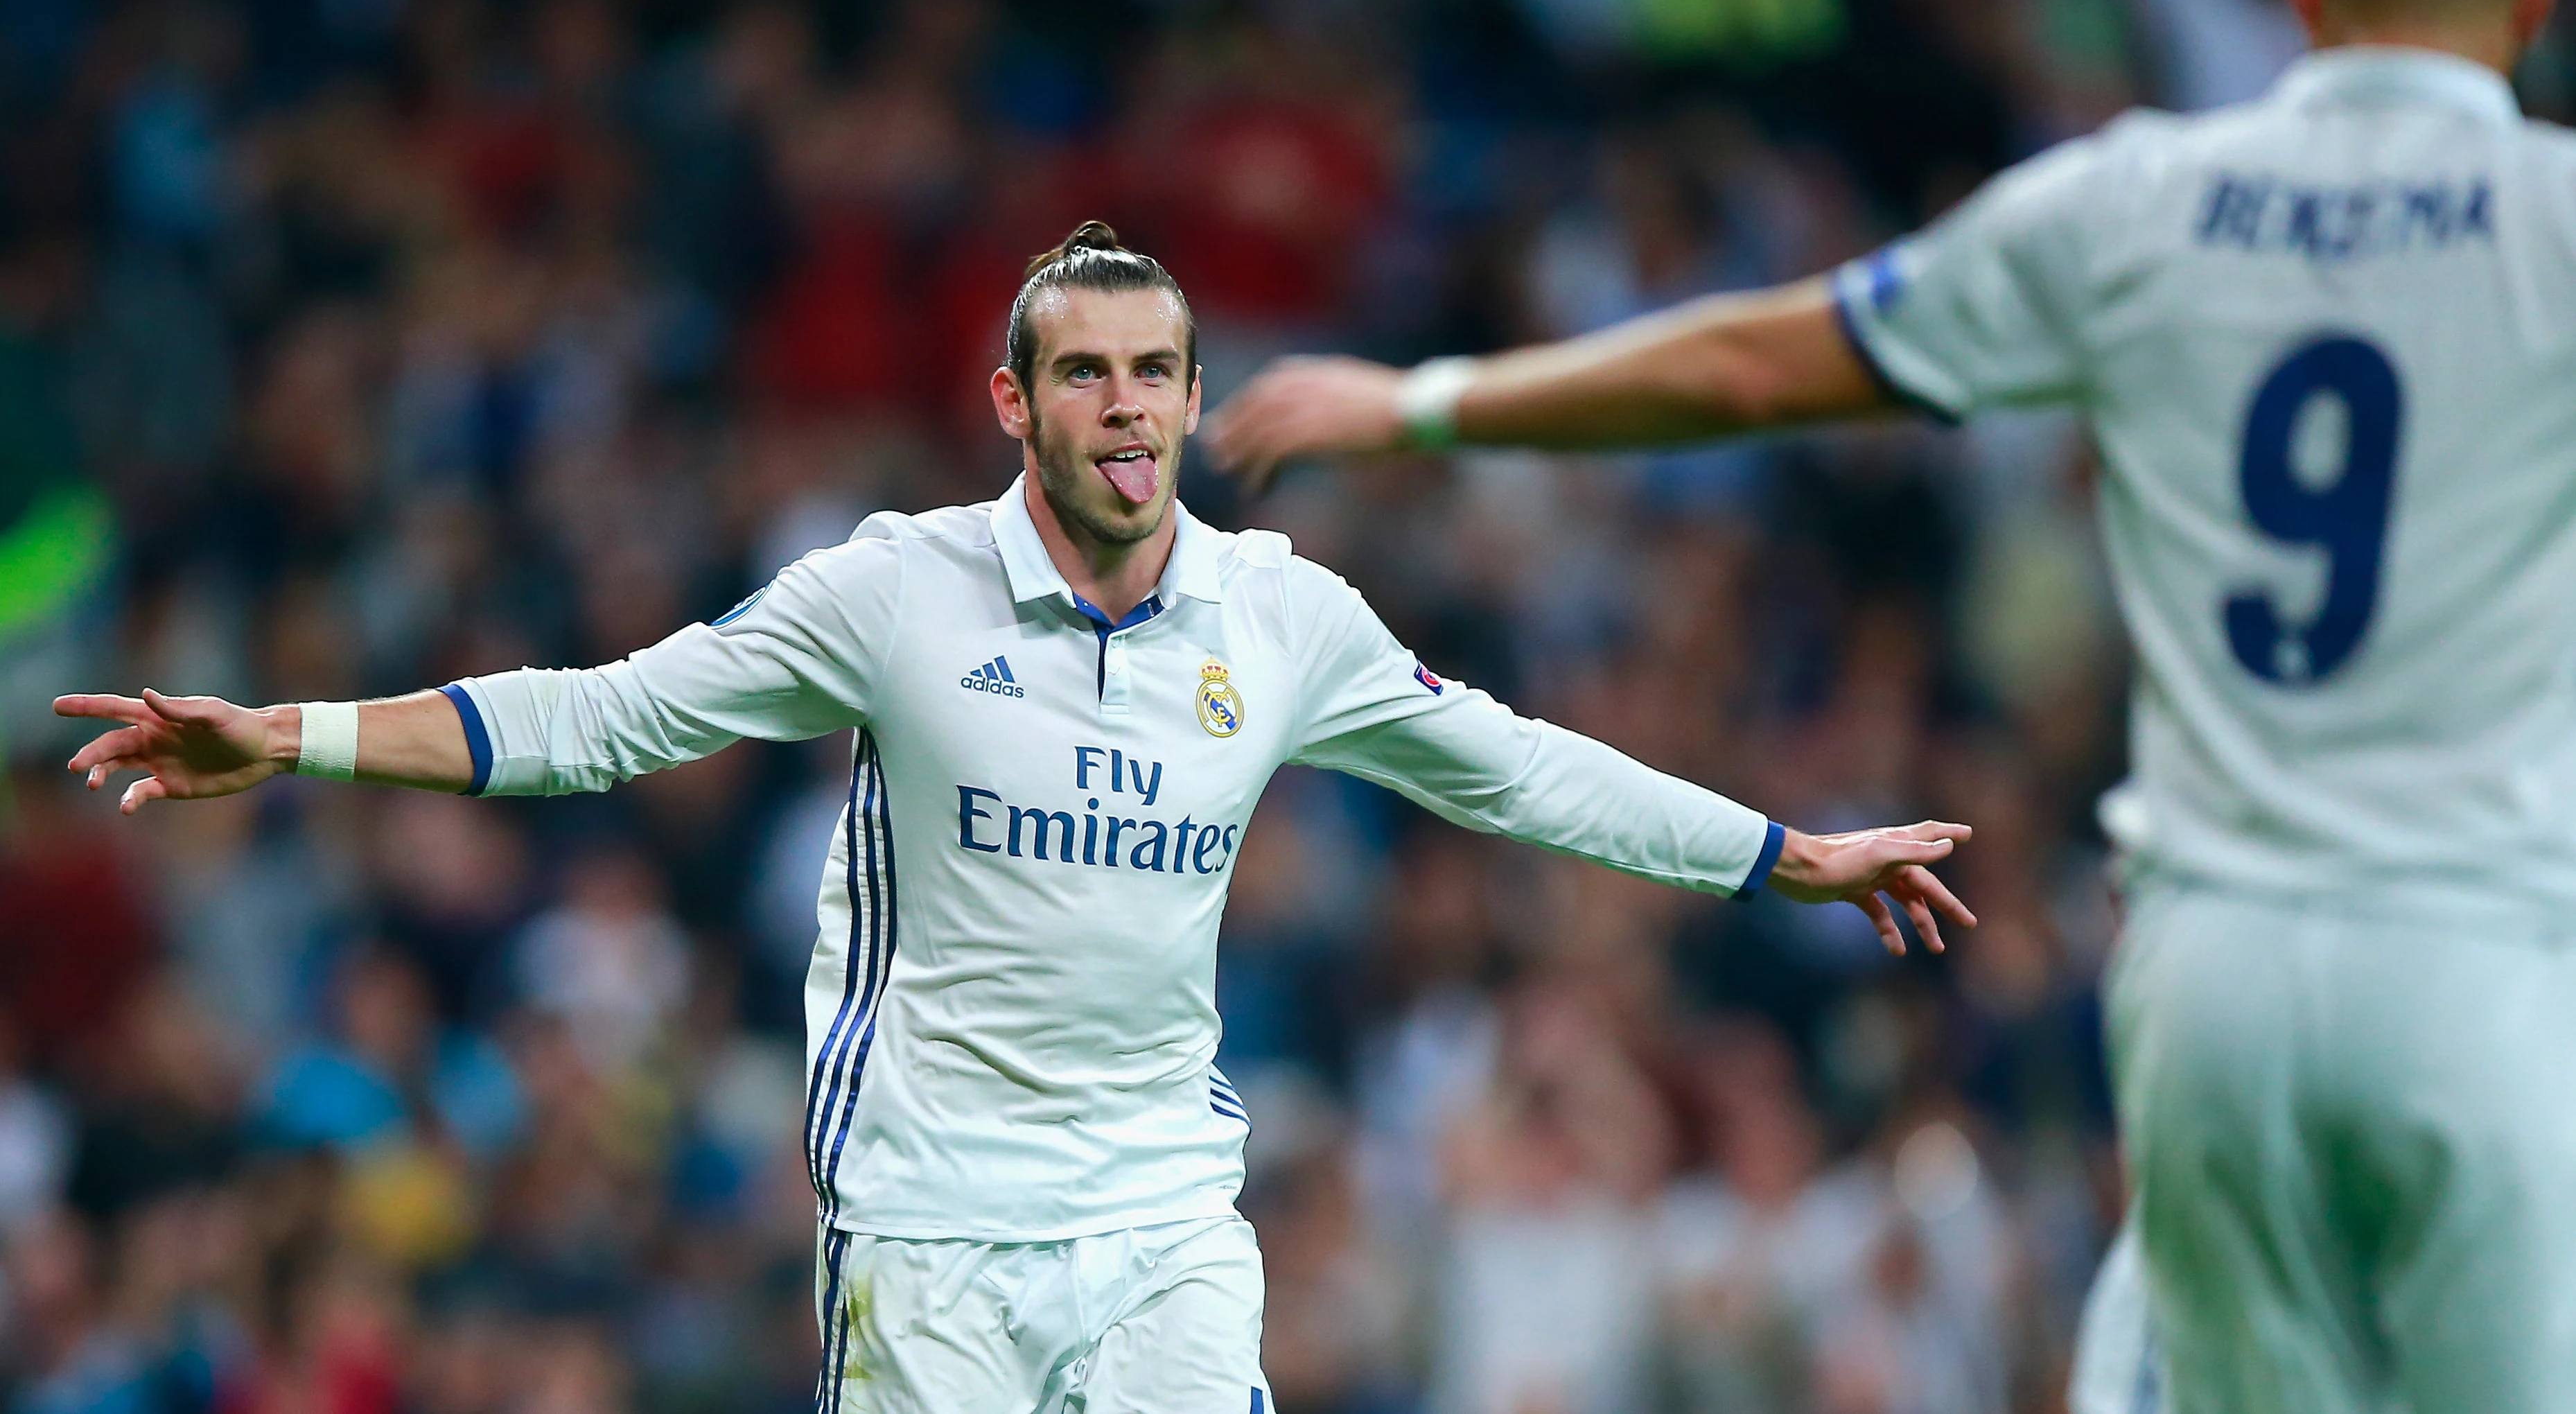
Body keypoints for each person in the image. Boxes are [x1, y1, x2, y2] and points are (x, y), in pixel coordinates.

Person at [56, 222, 1975, 1414]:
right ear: (1013, 399)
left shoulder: (1282, 616)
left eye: (1156, 373)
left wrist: (1780, 849)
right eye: (1086, 373)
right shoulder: (891, 593)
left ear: (1194, 394)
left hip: (1157, 1213)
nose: (1126, 409)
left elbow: (1519, 764)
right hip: (926, 1222)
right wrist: (285, 736)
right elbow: (599, 722)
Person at [1210, 0, 2576, 1404]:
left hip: (2213, 981)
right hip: (2471, 947)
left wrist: (1428, 402)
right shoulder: (2554, 218)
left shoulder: (2132, 201)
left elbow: (1749, 361)